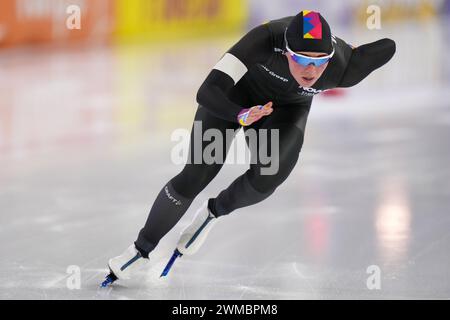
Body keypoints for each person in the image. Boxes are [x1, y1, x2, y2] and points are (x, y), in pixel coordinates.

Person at [101, 10, 396, 286]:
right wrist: (240, 114)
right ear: (285, 51)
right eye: (302, 59)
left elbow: (388, 46)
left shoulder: (344, 67)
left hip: (287, 108)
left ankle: (214, 211)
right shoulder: (264, 40)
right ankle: (141, 249)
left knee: (270, 175)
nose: (310, 70)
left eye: (320, 61)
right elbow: (207, 91)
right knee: (196, 174)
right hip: (233, 97)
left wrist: (353, 51)